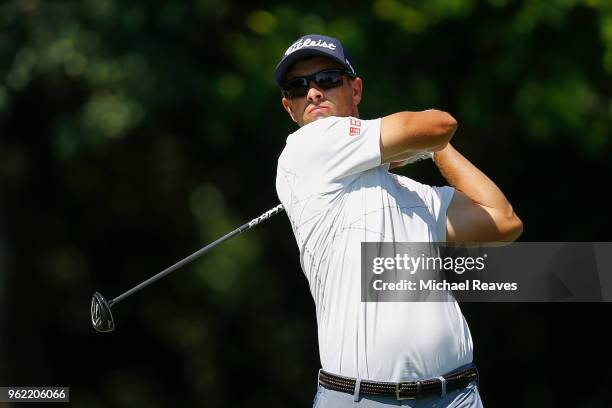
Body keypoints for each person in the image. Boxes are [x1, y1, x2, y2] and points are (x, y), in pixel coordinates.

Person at [274, 34, 522, 407]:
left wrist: (437, 151)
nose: (312, 92)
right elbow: (439, 123)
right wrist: (425, 143)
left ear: (355, 89)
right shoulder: (306, 147)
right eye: (298, 87)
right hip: (361, 398)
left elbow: (503, 221)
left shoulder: (410, 192)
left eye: (326, 79)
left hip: (456, 396)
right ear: (289, 108)